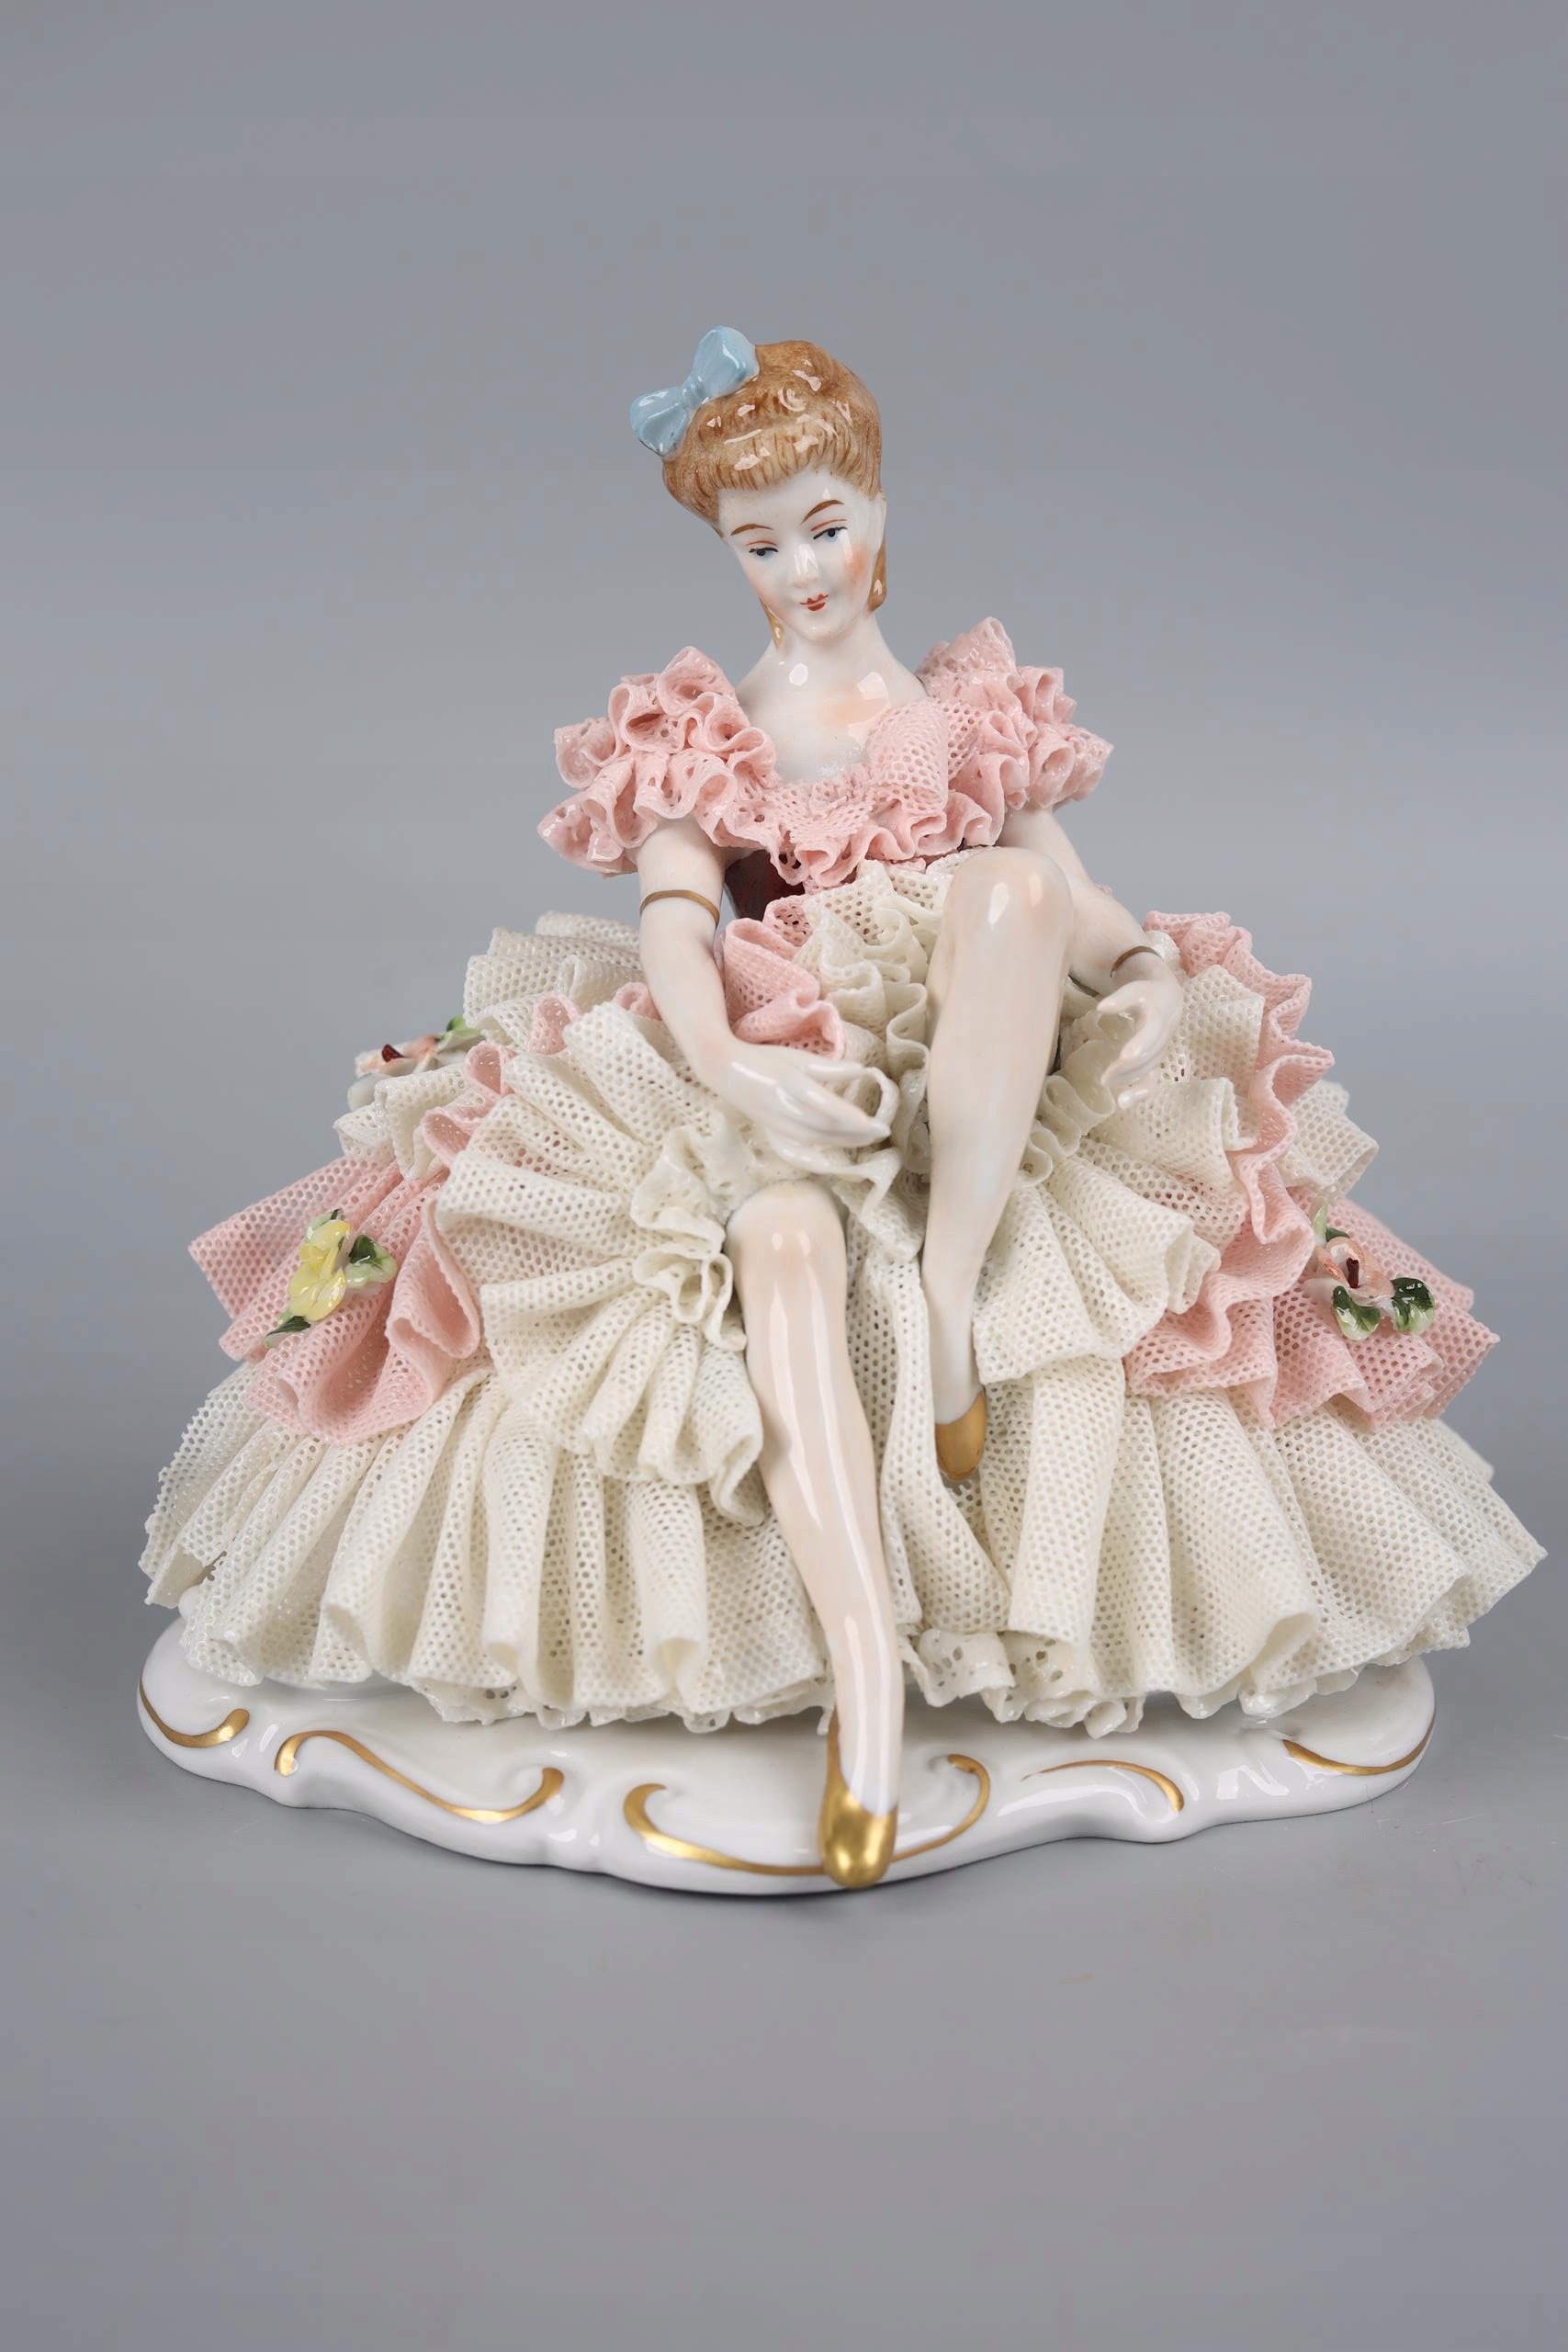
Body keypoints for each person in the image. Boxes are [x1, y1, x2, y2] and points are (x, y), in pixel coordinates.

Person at [144, 331, 1542, 1887]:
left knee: (1009, 891)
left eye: (825, 525)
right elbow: (676, 921)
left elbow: (1065, 896)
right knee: (784, 1251)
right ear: (729, 555)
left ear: (877, 508)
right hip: (783, 1055)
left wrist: (1144, 966)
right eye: (763, 544)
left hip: (985, 1058)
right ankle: (866, 1693)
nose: (804, 570)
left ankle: (947, 1300)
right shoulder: (703, 733)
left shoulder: (964, 709)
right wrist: (730, 1060)